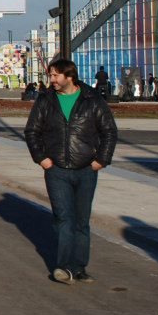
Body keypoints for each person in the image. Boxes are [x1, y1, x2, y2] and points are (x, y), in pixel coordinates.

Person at [24, 58, 117, 285]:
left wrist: (101, 160)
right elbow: (32, 131)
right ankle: (63, 267)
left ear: (69, 76)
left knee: (81, 221)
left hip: (86, 169)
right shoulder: (46, 100)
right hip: (56, 170)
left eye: (55, 76)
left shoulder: (91, 99)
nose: (52, 80)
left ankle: (80, 267)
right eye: (51, 76)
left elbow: (109, 132)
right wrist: (42, 159)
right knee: (64, 218)